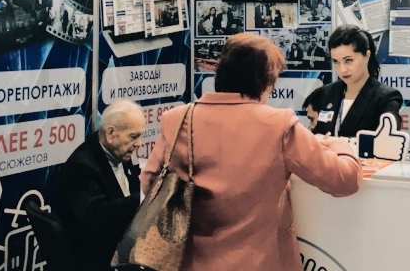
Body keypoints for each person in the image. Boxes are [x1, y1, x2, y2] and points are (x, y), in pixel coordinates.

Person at [140, 33, 361, 271]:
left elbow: (150, 181)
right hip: (261, 262)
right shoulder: (279, 125)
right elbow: (344, 180)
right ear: (266, 80)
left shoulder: (177, 119)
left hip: (191, 261)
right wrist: (339, 144)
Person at [56, 100, 146, 271]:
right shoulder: (82, 168)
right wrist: (143, 197)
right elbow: (96, 221)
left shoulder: (119, 152)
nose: (139, 143)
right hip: (97, 259)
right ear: (111, 133)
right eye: (133, 136)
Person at [308, 25, 403, 137]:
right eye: (336, 62)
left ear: (366, 56)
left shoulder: (386, 97)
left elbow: (386, 140)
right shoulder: (327, 92)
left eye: (348, 60)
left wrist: (336, 143)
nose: (342, 69)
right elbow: (317, 134)